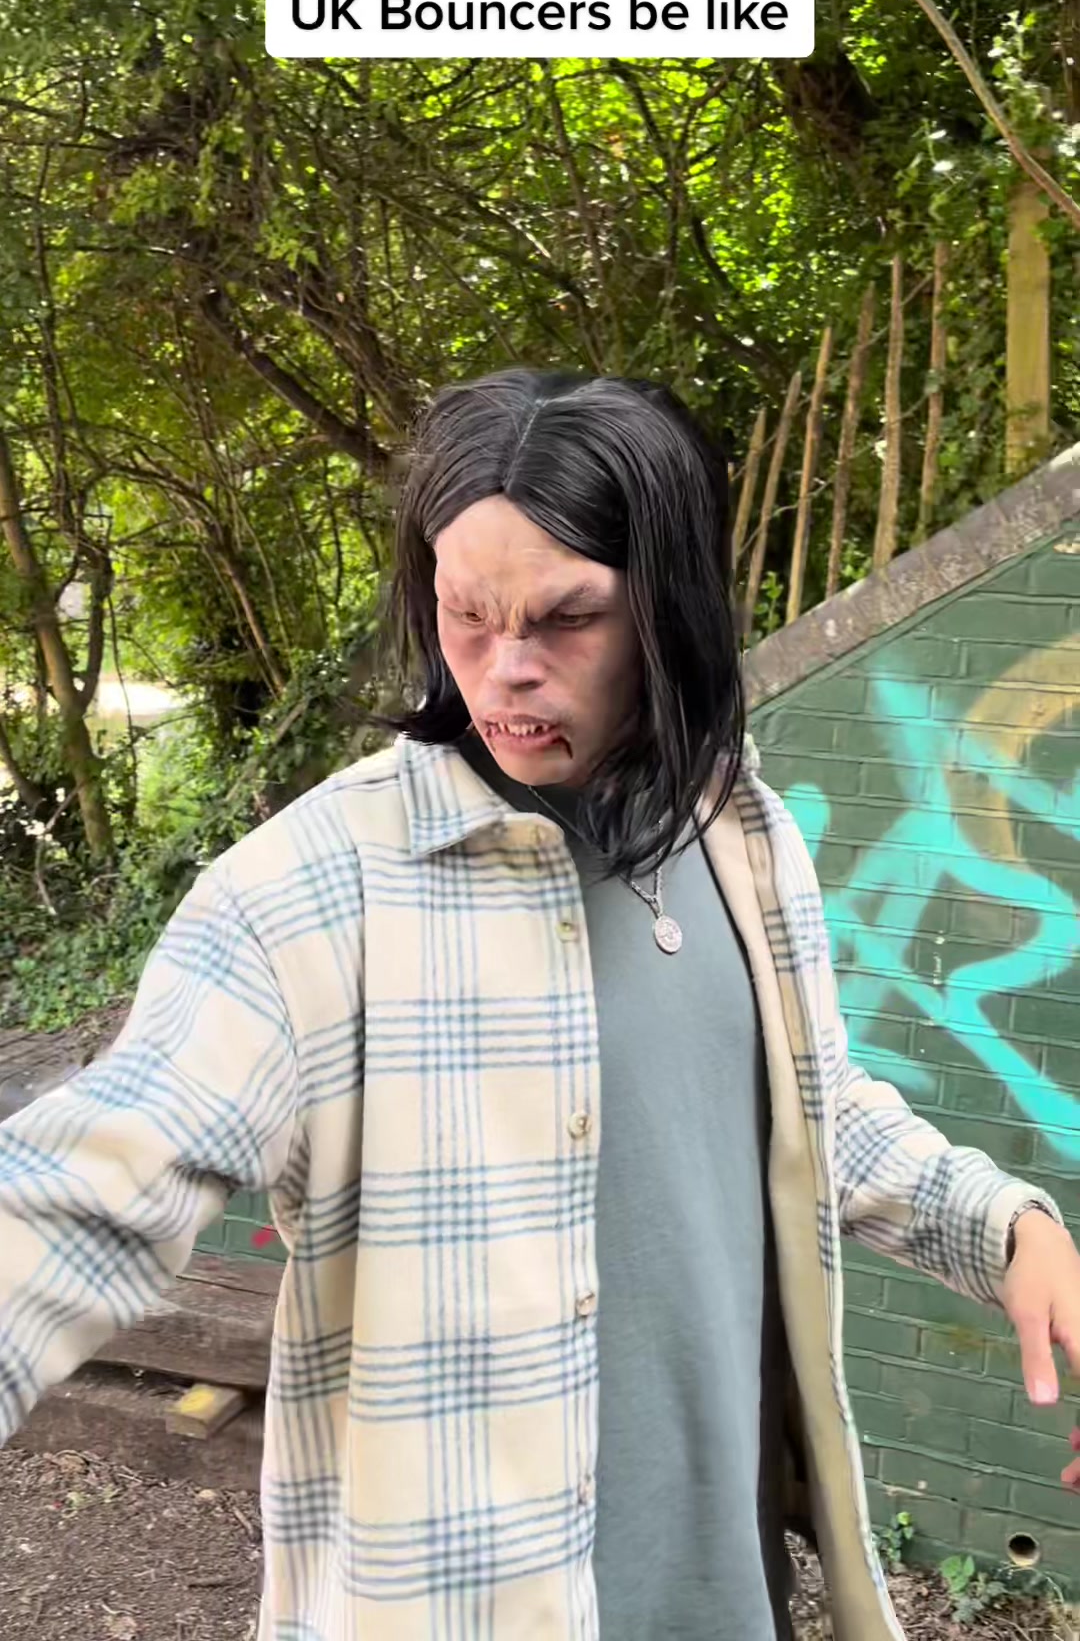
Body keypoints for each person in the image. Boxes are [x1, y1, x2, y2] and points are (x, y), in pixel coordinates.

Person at [0, 367, 1077, 1641]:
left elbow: (804, 1112)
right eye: (464, 613)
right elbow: (88, 1188)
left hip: (730, 1598)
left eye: (569, 619)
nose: (503, 671)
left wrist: (1008, 1230)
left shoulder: (742, 834)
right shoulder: (311, 893)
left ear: (671, 612)